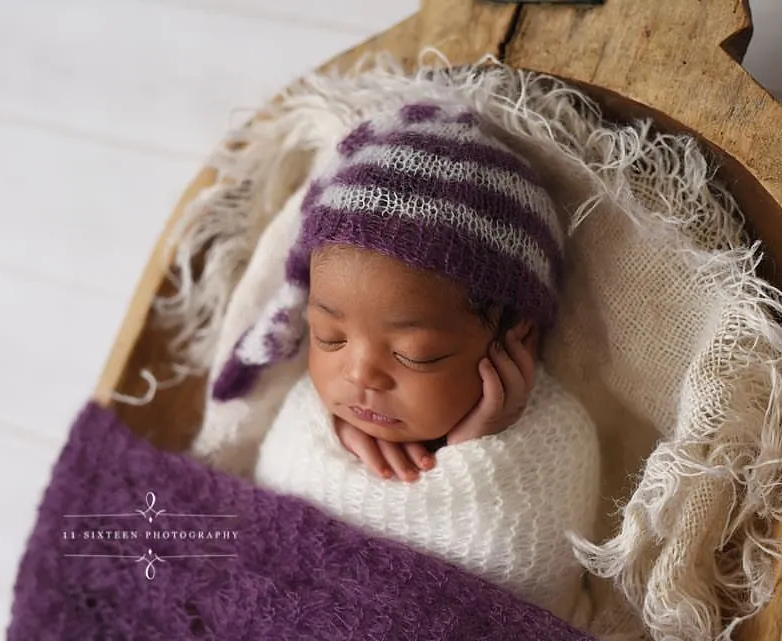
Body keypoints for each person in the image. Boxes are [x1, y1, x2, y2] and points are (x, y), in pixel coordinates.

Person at [210, 99, 602, 627]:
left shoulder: (554, 437)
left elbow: (532, 587)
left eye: (416, 354)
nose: (360, 375)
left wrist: (480, 454)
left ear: (517, 340)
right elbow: (273, 503)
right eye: (329, 337)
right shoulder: (313, 416)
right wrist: (335, 440)